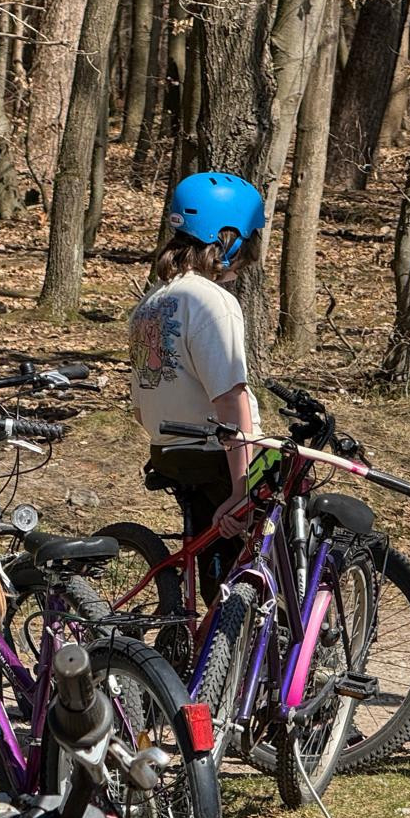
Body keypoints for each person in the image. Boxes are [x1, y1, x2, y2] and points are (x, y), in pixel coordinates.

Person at [128, 171, 266, 602]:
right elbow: (231, 399)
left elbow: (141, 400)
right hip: (215, 457)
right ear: (229, 238)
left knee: (215, 556)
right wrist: (243, 489)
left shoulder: (151, 302)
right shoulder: (212, 301)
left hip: (168, 451)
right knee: (290, 487)